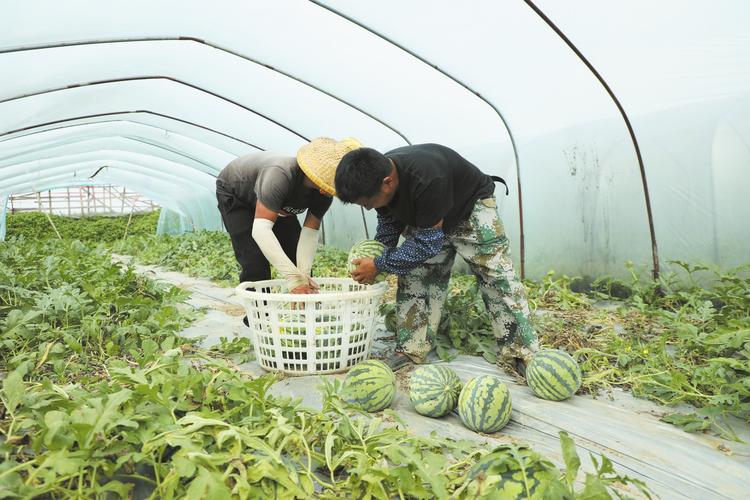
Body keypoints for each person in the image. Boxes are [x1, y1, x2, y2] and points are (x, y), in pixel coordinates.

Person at [334, 143, 539, 371]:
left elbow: (428, 244)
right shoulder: (378, 175)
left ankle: (521, 351)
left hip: (470, 209)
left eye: (367, 203)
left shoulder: (427, 176)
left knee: (496, 275)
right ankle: (412, 348)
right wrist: (378, 253)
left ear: (387, 182)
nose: (369, 209)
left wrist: (380, 264)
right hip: (428, 220)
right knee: (416, 275)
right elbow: (389, 222)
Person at [216, 138, 361, 323]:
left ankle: (303, 315)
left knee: (294, 251)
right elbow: (261, 230)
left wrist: (303, 275)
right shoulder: (281, 174)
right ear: (318, 175)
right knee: (255, 261)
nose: (330, 190)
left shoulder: (324, 194)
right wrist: (293, 279)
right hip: (237, 194)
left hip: (277, 204)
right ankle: (259, 318)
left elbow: (309, 233)